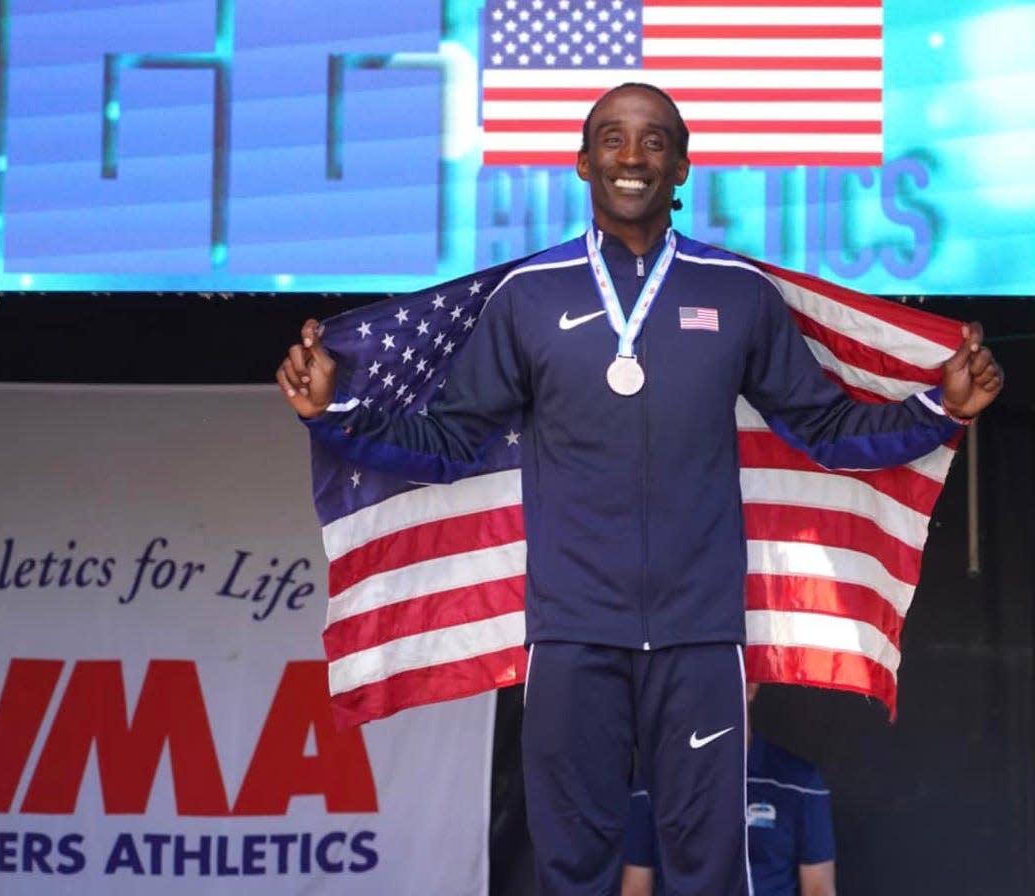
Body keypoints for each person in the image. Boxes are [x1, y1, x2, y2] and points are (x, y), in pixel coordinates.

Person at [276, 83, 1003, 895]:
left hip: (699, 634)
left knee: (707, 870)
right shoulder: (529, 296)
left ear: (682, 165)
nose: (633, 156)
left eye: (654, 141)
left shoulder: (735, 292)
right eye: (614, 140)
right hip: (572, 632)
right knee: (574, 867)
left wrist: (939, 409)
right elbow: (446, 440)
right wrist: (336, 409)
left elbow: (826, 428)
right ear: (584, 163)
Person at [621, 684, 836, 896]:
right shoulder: (654, 786)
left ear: (750, 687)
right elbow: (635, 889)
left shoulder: (800, 784)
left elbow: (819, 890)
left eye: (725, 675)